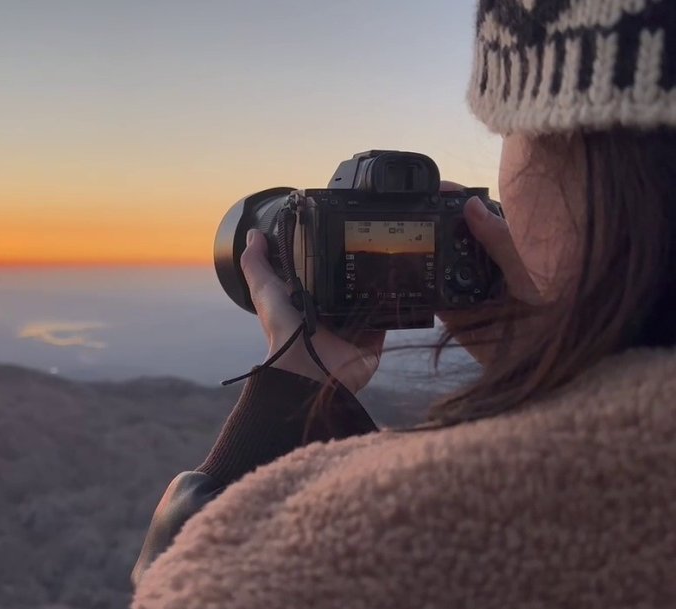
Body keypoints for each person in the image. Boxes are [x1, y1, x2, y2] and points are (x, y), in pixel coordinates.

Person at [131, 0, 676, 607]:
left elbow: (190, 590)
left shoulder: (377, 547)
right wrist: (556, 369)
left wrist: (288, 399)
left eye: (509, 132)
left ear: (573, 152)